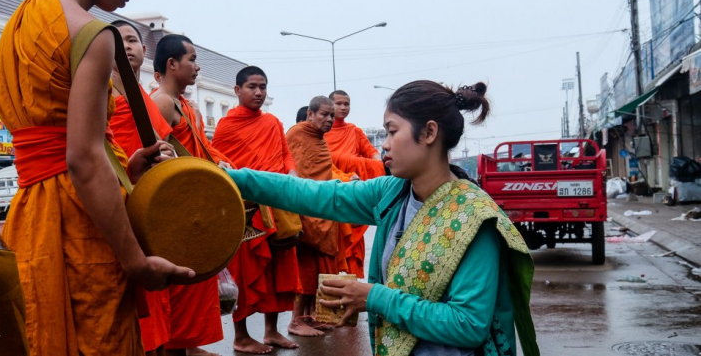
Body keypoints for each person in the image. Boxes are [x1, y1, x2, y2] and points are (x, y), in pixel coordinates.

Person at [0, 0, 193, 355]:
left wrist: (127, 168)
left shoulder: (19, 23)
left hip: (29, 215)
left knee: (41, 332)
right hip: (80, 224)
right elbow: (82, 159)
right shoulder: (93, 33)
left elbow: (53, 140)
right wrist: (135, 261)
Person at [225, 81, 540, 356]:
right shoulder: (393, 193)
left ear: (429, 132)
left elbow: (469, 325)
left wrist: (374, 297)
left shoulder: (474, 218)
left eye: (392, 131)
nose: (385, 144)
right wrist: (230, 178)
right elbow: (311, 194)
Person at [211, 66, 302, 353]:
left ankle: (271, 332)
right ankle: (240, 336)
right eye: (252, 86)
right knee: (246, 271)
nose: (259, 92)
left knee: (277, 271)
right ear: (237, 91)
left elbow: (285, 155)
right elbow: (223, 166)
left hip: (276, 205)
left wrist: (291, 172)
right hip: (248, 209)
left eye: (263, 86)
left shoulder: (273, 122)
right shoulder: (226, 126)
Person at [152, 34, 232, 356]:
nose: (197, 67)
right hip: (177, 202)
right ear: (172, 65)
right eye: (192, 60)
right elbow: (153, 153)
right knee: (181, 282)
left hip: (195, 199)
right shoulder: (161, 102)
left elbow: (200, 149)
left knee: (195, 278)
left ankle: (187, 346)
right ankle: (176, 348)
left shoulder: (187, 106)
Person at [108, 20, 174, 356]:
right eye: (119, 41)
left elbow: (162, 142)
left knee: (157, 288)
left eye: (133, 40)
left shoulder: (146, 101)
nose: (128, 46)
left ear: (145, 51)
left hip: (155, 202)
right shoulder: (102, 95)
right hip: (119, 199)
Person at [285, 96, 357, 336]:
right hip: (305, 212)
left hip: (322, 211)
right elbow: (297, 171)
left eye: (332, 116)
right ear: (310, 115)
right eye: (324, 115)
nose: (328, 120)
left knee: (316, 269)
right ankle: (295, 321)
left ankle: (308, 317)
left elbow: (323, 174)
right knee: (305, 270)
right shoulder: (296, 134)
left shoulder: (320, 140)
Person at [325, 90, 386, 278]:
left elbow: (375, 157)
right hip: (332, 194)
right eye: (339, 103)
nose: (343, 107)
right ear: (329, 105)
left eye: (347, 104)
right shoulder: (322, 131)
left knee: (352, 252)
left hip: (354, 193)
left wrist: (366, 167)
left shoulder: (354, 131)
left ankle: (351, 297)